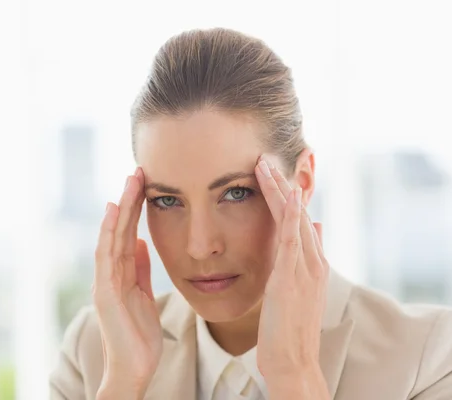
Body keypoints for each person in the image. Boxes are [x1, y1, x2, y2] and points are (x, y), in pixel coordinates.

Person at [49, 28, 452, 400]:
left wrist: (295, 377)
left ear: (304, 182)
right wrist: (123, 384)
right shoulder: (93, 357)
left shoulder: (428, 357)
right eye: (167, 201)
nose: (200, 246)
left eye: (237, 193)